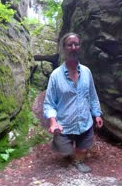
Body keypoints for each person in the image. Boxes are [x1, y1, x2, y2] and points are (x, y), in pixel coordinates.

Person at [43, 32, 103, 173]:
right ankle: (69, 153)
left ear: (79, 47)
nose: (73, 47)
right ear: (64, 48)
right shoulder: (56, 75)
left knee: (82, 148)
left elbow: (92, 96)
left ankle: (78, 160)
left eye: (76, 44)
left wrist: (97, 114)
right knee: (64, 151)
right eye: (70, 44)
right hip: (65, 124)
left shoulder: (87, 72)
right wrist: (53, 121)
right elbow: (49, 103)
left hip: (84, 122)